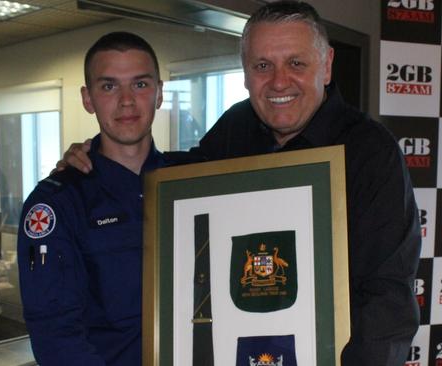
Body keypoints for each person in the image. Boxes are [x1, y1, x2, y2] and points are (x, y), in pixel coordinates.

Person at [59, 1, 421, 365]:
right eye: (262, 66)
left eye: (296, 63)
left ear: (325, 66)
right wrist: (98, 158)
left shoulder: (370, 152)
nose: (279, 81)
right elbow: (178, 180)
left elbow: (387, 300)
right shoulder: (238, 127)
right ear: (245, 74)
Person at [17, 31, 166, 366]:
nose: (126, 101)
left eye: (140, 84)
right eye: (109, 86)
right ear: (88, 99)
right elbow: (55, 335)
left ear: (159, 93)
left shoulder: (190, 180)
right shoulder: (58, 203)